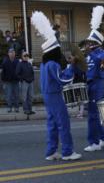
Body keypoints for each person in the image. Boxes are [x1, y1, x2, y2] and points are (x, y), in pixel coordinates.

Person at [31, 11, 81, 161]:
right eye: (57, 50)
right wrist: (71, 66)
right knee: (63, 124)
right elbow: (63, 80)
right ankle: (67, 152)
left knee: (52, 125)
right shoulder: (53, 64)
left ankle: (51, 152)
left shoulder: (45, 64)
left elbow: (56, 77)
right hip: (54, 96)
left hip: (48, 96)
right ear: (54, 51)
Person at [82, 6, 104, 152]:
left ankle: (94, 143)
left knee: (93, 115)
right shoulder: (89, 54)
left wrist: (90, 54)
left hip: (98, 84)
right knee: (93, 114)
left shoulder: (102, 54)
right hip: (90, 84)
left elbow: (103, 65)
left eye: (89, 42)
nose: (87, 44)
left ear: (95, 43)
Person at [16, 51, 35, 115]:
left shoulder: (29, 64)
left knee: (31, 96)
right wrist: (22, 80)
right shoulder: (20, 64)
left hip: (30, 82)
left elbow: (32, 72)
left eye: (27, 55)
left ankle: (30, 109)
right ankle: (26, 110)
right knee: (24, 97)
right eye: (25, 55)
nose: (26, 56)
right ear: (22, 57)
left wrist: (32, 79)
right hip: (24, 82)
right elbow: (17, 74)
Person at [1, 48, 20, 113]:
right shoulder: (5, 61)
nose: (12, 53)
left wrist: (19, 79)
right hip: (8, 82)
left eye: (13, 52)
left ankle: (16, 107)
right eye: (11, 52)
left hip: (16, 81)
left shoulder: (17, 61)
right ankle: (9, 107)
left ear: (15, 54)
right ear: (8, 54)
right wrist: (3, 82)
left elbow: (20, 71)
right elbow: (3, 73)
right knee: (8, 96)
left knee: (16, 95)